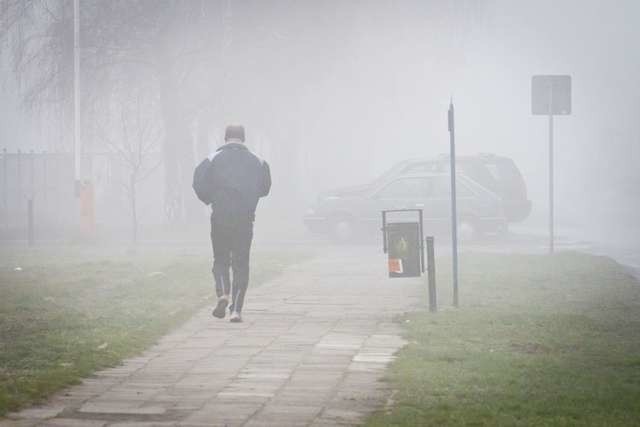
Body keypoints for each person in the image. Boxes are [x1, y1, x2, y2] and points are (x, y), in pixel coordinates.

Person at [207, 125, 271, 323]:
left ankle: (223, 294)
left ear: (225, 137)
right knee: (241, 263)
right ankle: (236, 310)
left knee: (221, 259)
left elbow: (199, 184)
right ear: (243, 138)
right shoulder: (258, 161)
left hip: (220, 217)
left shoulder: (212, 159)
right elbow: (265, 188)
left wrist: (212, 199)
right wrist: (249, 197)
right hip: (245, 218)